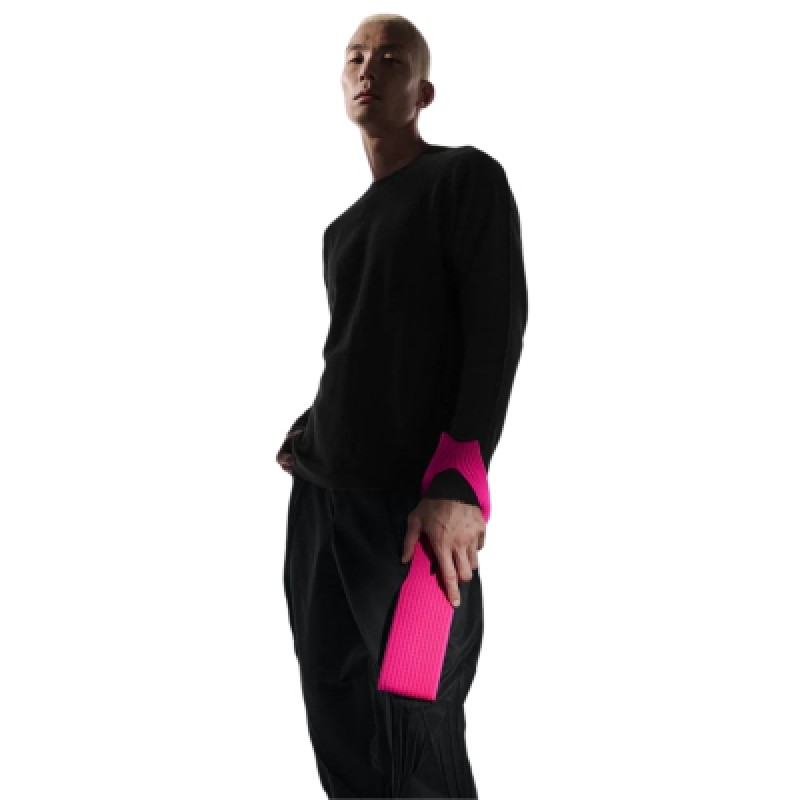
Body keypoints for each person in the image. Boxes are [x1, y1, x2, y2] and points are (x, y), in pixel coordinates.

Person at [276, 12, 528, 798]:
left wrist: (460, 483)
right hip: (320, 506)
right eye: (355, 56)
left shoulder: (464, 179)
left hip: (412, 515)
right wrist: (311, 432)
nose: (368, 69)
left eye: (390, 58)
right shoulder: (342, 231)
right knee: (339, 724)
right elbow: (361, 352)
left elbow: (496, 330)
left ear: (423, 91)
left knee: (414, 727)